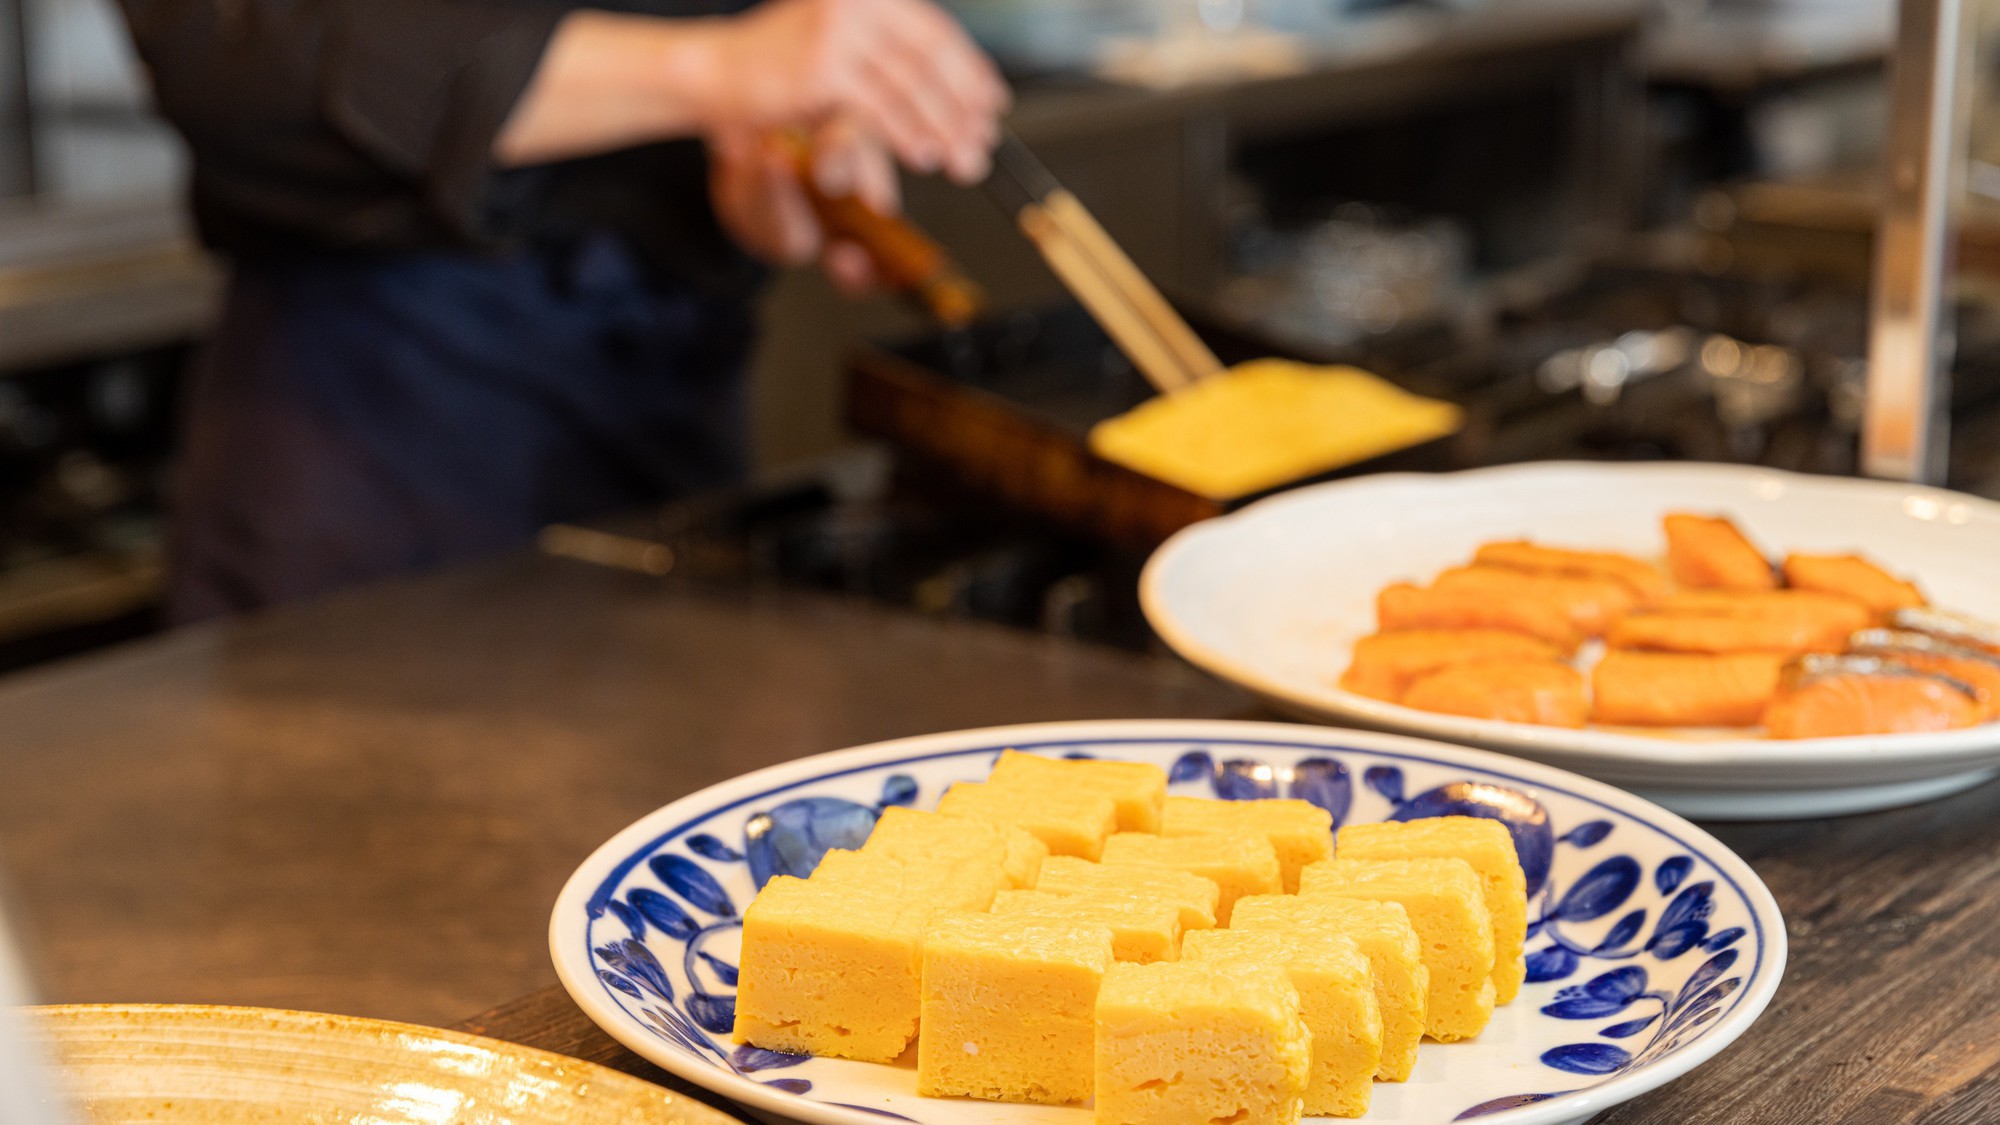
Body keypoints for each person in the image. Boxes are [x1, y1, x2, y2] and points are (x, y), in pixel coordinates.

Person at [115, 0, 1009, 620]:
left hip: (668, 412)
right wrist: (714, 68)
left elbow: (755, 90)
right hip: (374, 424)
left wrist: (776, 157)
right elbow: (231, 52)